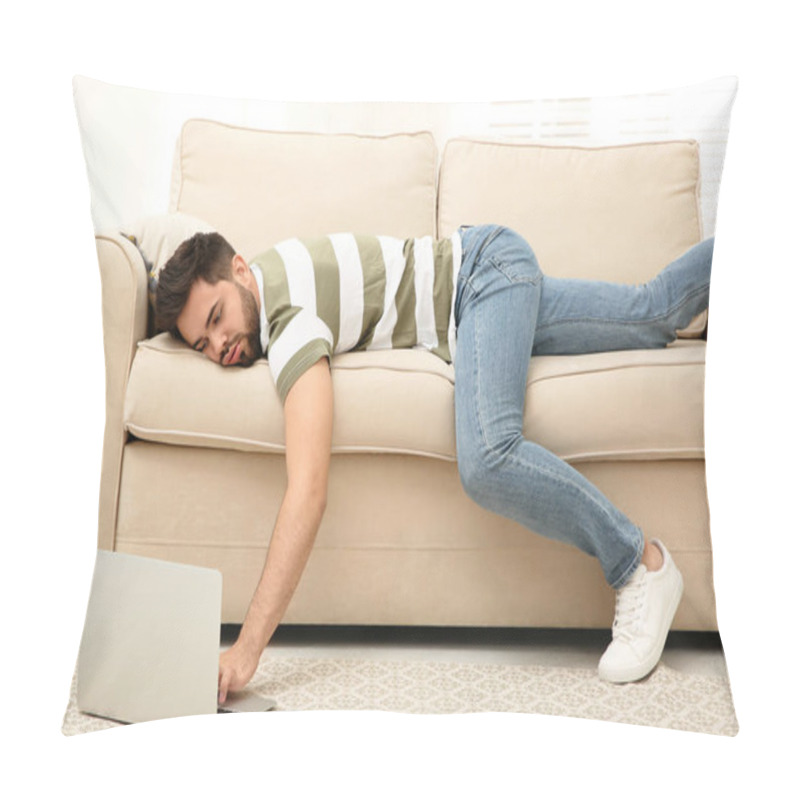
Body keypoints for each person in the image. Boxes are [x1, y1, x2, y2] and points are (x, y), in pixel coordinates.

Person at [154, 224, 714, 703]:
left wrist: (246, 651)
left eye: (218, 317)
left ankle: (641, 562)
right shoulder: (264, 279)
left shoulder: (287, 315)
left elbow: (307, 490)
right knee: (653, 313)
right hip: (489, 269)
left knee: (488, 456)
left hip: (480, 279)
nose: (220, 344)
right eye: (202, 342)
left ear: (240, 269)